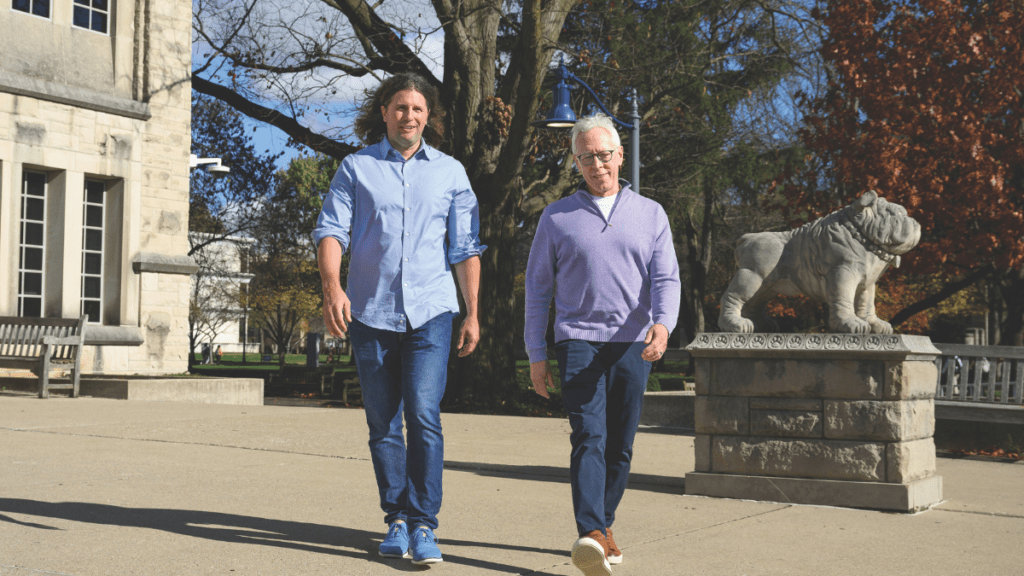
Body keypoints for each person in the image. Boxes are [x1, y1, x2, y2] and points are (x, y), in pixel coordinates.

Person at [313, 73, 485, 565]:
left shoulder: (451, 172)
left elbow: (465, 247)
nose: (408, 116)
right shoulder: (356, 168)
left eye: (417, 108)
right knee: (383, 422)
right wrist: (332, 287)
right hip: (371, 312)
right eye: (399, 107)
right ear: (384, 111)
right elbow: (331, 229)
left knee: (424, 416)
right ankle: (397, 518)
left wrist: (473, 313)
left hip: (432, 312)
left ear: (428, 116)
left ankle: (425, 523)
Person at [524, 114, 681, 576]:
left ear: (620, 156)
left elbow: (667, 279)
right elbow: (537, 291)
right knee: (589, 436)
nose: (598, 164)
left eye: (604, 155)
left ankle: (604, 525)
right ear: (576, 162)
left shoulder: (651, 213)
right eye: (587, 157)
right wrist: (536, 353)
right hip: (578, 342)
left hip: (633, 343)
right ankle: (591, 531)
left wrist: (664, 326)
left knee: (622, 445)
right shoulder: (556, 217)